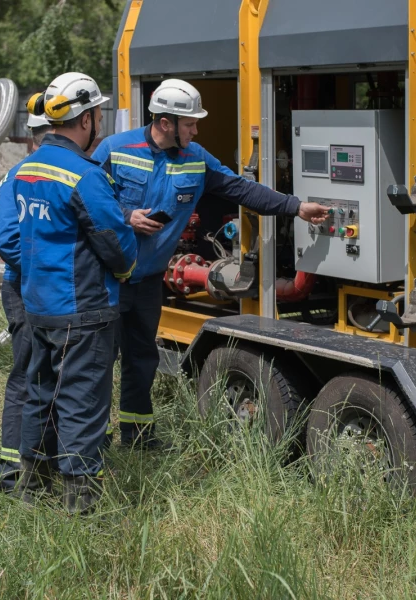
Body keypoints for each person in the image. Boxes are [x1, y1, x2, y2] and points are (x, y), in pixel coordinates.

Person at [93, 79, 329, 449]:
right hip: (106, 279)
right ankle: (94, 441)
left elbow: (242, 189)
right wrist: (126, 216)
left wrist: (295, 207)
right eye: (190, 123)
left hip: (148, 283)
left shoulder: (196, 158)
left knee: (141, 361)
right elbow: (87, 203)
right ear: (166, 122)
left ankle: (137, 436)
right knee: (99, 362)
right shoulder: (115, 149)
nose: (197, 129)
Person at [9, 72, 137, 514]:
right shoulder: (84, 175)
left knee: (40, 396)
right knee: (81, 403)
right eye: (98, 114)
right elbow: (115, 241)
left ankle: (31, 487)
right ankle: (79, 504)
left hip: (39, 307)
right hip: (82, 312)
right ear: (86, 119)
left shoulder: (26, 169)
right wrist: (126, 270)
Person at [0, 111, 52, 493]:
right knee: (27, 375)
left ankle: (44, 459)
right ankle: (11, 469)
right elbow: (9, 242)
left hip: (54, 290)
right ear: (36, 140)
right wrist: (53, 270)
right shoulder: (18, 175)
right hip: (25, 288)